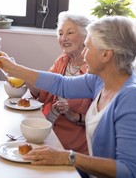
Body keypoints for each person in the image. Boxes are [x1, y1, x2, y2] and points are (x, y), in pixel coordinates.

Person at [0, 16, 136, 177]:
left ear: (106, 54)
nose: (83, 54)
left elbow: (131, 170)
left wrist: (68, 157)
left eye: (88, 48)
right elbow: (61, 84)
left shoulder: (131, 98)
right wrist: (13, 68)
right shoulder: (101, 79)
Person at [28, 11, 92, 154]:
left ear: (86, 36)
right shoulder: (62, 60)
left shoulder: (93, 71)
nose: (63, 38)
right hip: (45, 130)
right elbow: (42, 93)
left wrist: (76, 116)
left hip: (70, 144)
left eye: (69, 33)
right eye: (60, 33)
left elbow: (102, 119)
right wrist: (21, 76)